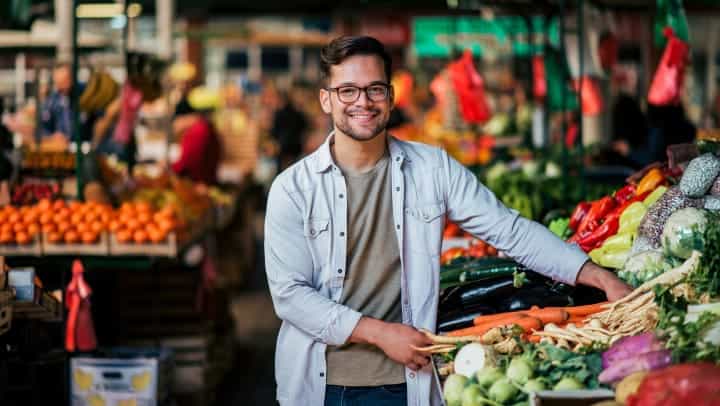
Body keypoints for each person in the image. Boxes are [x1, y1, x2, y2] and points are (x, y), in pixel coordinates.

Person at [264, 36, 632, 406]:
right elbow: (291, 296)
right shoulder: (293, 189)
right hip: (323, 385)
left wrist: (599, 276)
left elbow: (510, 231)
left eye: (374, 89)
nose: (362, 101)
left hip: (411, 382)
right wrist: (381, 334)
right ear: (326, 99)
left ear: (390, 98)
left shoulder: (433, 169)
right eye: (347, 91)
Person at [171, 101, 221, 185]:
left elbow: (186, 164)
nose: (174, 125)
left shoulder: (197, 131)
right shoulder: (205, 127)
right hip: (207, 181)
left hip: (199, 184)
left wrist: (169, 168)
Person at [270, 87, 308, 171]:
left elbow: (274, 132)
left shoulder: (278, 114)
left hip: (283, 149)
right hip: (296, 149)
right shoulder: (298, 114)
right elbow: (304, 129)